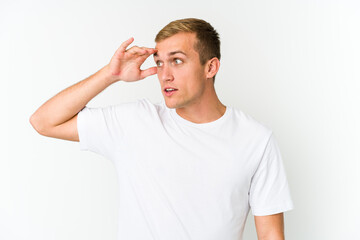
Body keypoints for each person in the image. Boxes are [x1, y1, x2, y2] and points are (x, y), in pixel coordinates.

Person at [30, 18, 294, 240]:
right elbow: (44, 121)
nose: (164, 74)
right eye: (159, 62)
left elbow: (271, 235)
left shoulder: (255, 140)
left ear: (210, 67)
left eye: (177, 61)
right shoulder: (136, 122)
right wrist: (110, 75)